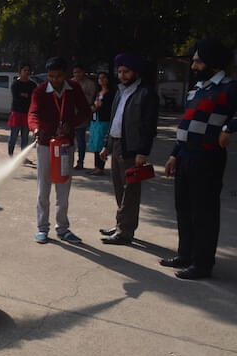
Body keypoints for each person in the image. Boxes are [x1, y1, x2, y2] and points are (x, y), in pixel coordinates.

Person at [162, 39, 237, 280]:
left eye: (198, 61)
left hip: (208, 158)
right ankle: (185, 255)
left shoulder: (229, 87)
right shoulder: (197, 89)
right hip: (185, 157)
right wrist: (174, 154)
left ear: (213, 63)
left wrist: (228, 127)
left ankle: (202, 264)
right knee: (183, 208)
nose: (193, 65)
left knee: (203, 212)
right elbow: (186, 125)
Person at [28, 57, 91, 244]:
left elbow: (85, 111)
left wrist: (71, 125)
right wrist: (36, 129)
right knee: (43, 188)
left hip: (65, 146)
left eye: (59, 76)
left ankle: (63, 229)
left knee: (63, 187)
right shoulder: (40, 91)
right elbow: (33, 113)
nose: (55, 80)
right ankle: (42, 228)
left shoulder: (73, 89)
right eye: (51, 76)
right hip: (45, 145)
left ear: (66, 74)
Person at [98, 54, 159, 245]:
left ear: (135, 72)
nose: (122, 75)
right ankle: (121, 225)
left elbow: (149, 125)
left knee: (130, 190)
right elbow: (114, 120)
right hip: (115, 144)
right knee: (119, 188)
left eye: (126, 72)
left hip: (132, 148)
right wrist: (106, 145)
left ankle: (125, 232)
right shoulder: (120, 91)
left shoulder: (146, 93)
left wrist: (143, 151)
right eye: (120, 71)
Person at [86, 72, 115, 176]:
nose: (101, 80)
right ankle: (96, 166)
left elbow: (112, 108)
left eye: (103, 78)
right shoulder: (97, 92)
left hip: (104, 121)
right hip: (95, 120)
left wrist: (101, 106)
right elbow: (91, 106)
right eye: (99, 78)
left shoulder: (111, 93)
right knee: (95, 143)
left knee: (101, 143)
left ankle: (100, 167)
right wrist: (95, 107)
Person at [8, 63, 36, 163]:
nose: (27, 72)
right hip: (16, 113)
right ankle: (11, 156)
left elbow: (33, 98)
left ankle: (23, 157)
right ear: (20, 71)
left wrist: (25, 96)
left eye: (28, 70)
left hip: (27, 114)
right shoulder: (15, 84)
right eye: (25, 70)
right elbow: (16, 98)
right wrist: (25, 96)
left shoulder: (32, 85)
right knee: (13, 136)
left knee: (25, 137)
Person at [71, 64, 97, 169]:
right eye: (75, 72)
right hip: (70, 114)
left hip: (82, 114)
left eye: (79, 72)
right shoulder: (70, 82)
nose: (77, 74)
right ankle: (68, 161)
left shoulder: (89, 84)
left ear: (83, 72)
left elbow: (91, 100)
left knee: (80, 139)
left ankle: (80, 162)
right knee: (68, 140)